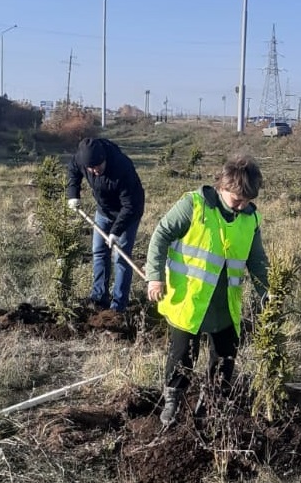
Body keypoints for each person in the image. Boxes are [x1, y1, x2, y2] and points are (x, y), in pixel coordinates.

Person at [146, 154, 268, 428]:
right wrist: (154, 278)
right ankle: (173, 402)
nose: (242, 205)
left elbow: (257, 260)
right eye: (237, 199)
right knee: (182, 357)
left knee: (225, 357)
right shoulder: (194, 205)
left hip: (225, 304)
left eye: (248, 200)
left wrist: (267, 292)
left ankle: (212, 401)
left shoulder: (250, 218)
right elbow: (161, 234)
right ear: (222, 187)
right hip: (189, 300)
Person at [66, 137, 145, 313]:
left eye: (97, 167)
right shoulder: (81, 159)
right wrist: (73, 193)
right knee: (100, 252)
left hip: (128, 213)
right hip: (103, 211)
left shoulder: (122, 167)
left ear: (105, 160)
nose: (94, 172)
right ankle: (99, 297)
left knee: (121, 257)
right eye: (90, 169)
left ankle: (118, 306)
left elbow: (130, 206)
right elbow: (72, 170)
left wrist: (116, 231)